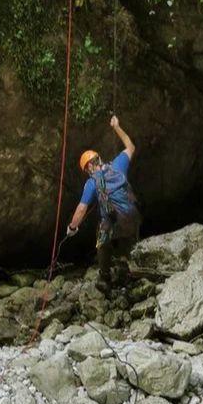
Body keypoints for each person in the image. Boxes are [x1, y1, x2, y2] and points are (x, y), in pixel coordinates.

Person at [66, 115, 140, 293]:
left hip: (115, 223)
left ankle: (105, 277)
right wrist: (117, 127)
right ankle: (125, 266)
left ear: (88, 168)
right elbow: (131, 146)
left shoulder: (92, 183)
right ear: (99, 159)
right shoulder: (117, 165)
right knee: (125, 233)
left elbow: (82, 208)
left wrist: (72, 227)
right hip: (134, 217)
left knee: (102, 237)